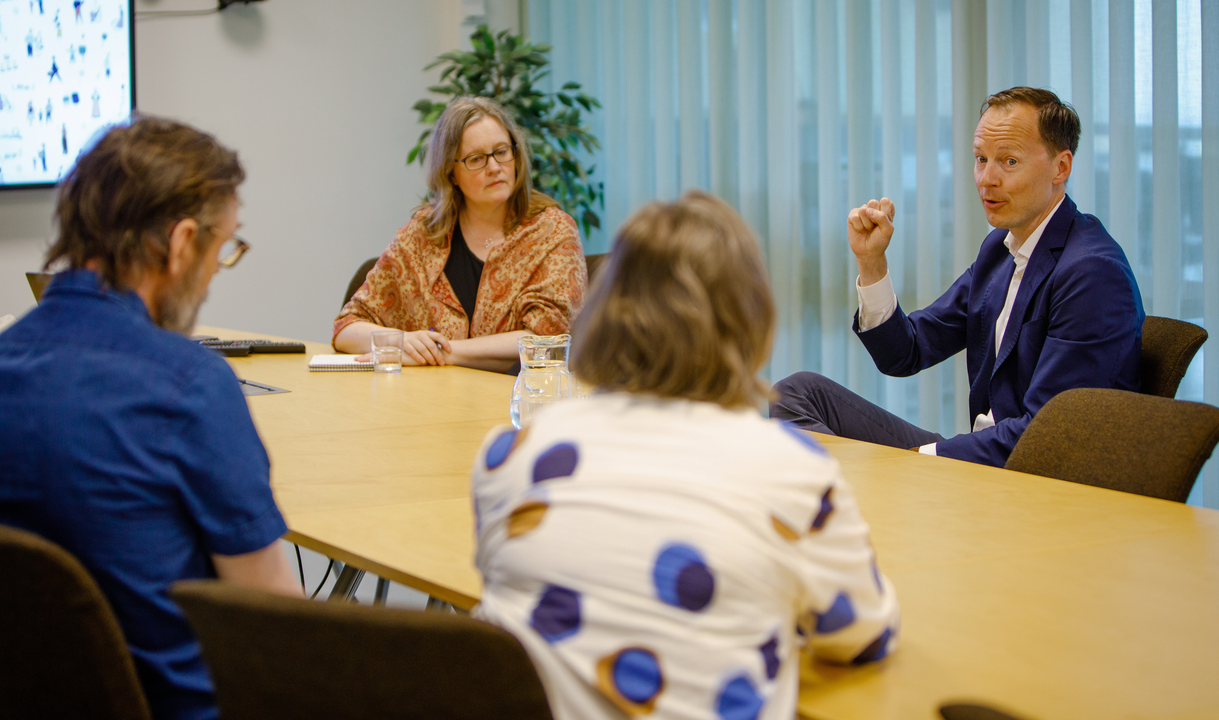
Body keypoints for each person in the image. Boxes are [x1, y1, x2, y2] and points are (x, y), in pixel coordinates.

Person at [472, 191, 899, 720]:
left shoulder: (507, 455)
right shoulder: (791, 470)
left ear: (603, 310)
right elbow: (862, 634)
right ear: (750, 320)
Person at [0, 117, 302, 720]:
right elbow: (277, 629)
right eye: (223, 250)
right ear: (183, 241)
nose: (215, 273)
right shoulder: (187, 384)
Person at [771, 87, 1144, 467]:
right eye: (981, 159)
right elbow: (905, 352)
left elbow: (1045, 436)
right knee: (797, 393)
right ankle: (849, 505)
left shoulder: (1092, 272)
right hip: (974, 457)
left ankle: (850, 507)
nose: (986, 179)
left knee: (869, 467)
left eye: (1009, 161)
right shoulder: (1000, 249)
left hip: (1024, 478)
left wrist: (921, 460)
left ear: (1060, 167)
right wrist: (872, 263)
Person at [332, 96, 586, 373]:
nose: (494, 167)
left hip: (515, 405)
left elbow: (548, 338)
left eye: (502, 152)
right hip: (427, 403)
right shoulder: (423, 233)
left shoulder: (553, 230)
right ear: (451, 172)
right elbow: (347, 327)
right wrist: (401, 343)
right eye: (476, 159)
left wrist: (440, 352)